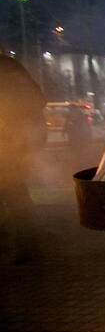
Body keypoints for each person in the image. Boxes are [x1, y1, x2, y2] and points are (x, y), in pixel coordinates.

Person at [1, 55, 45, 263]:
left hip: (9, 145)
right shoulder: (13, 67)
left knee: (14, 194)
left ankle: (27, 246)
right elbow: (38, 101)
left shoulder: (7, 70)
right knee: (16, 195)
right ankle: (27, 243)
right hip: (15, 144)